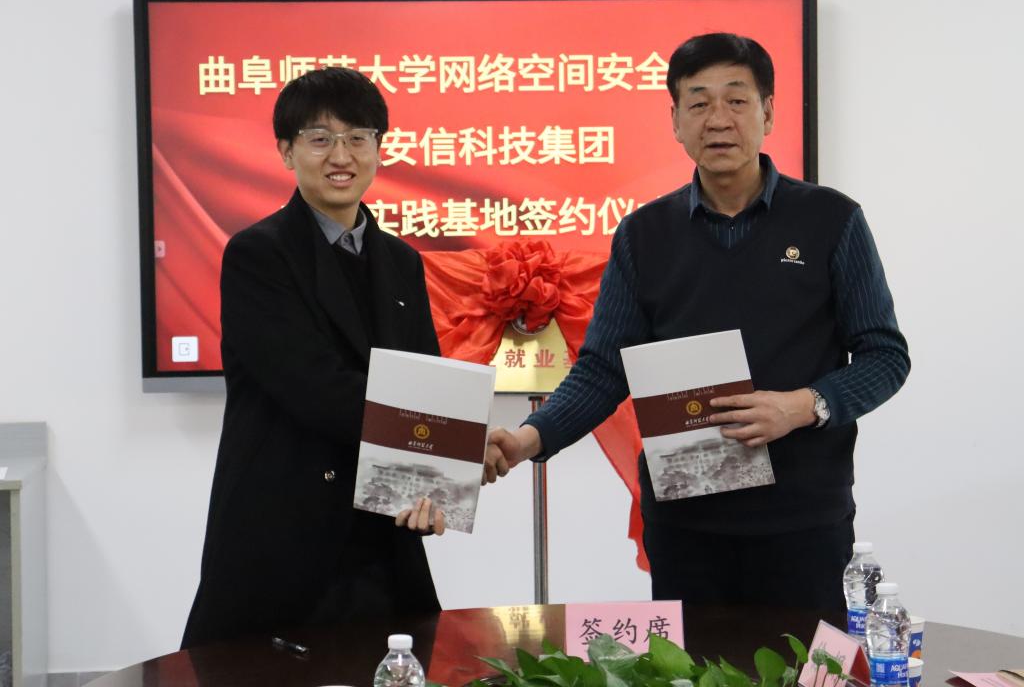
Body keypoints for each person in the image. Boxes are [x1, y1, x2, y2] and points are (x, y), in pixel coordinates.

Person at [485, 33, 910, 609]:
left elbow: (885, 356)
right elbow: (604, 370)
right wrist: (528, 438)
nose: (718, 120)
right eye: (699, 103)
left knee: (805, 660)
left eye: (736, 100)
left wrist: (802, 405)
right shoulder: (644, 235)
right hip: (685, 523)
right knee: (688, 660)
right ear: (676, 121)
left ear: (768, 112)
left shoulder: (831, 219)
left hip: (805, 519)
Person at [182, 67, 444, 649]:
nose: (341, 156)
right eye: (320, 138)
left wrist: (441, 474)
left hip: (382, 537)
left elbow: (425, 381)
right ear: (286, 150)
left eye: (358, 137)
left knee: (400, 667)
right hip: (284, 531)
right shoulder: (258, 255)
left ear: (379, 147)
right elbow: (314, 387)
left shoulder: (401, 262)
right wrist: (449, 441)